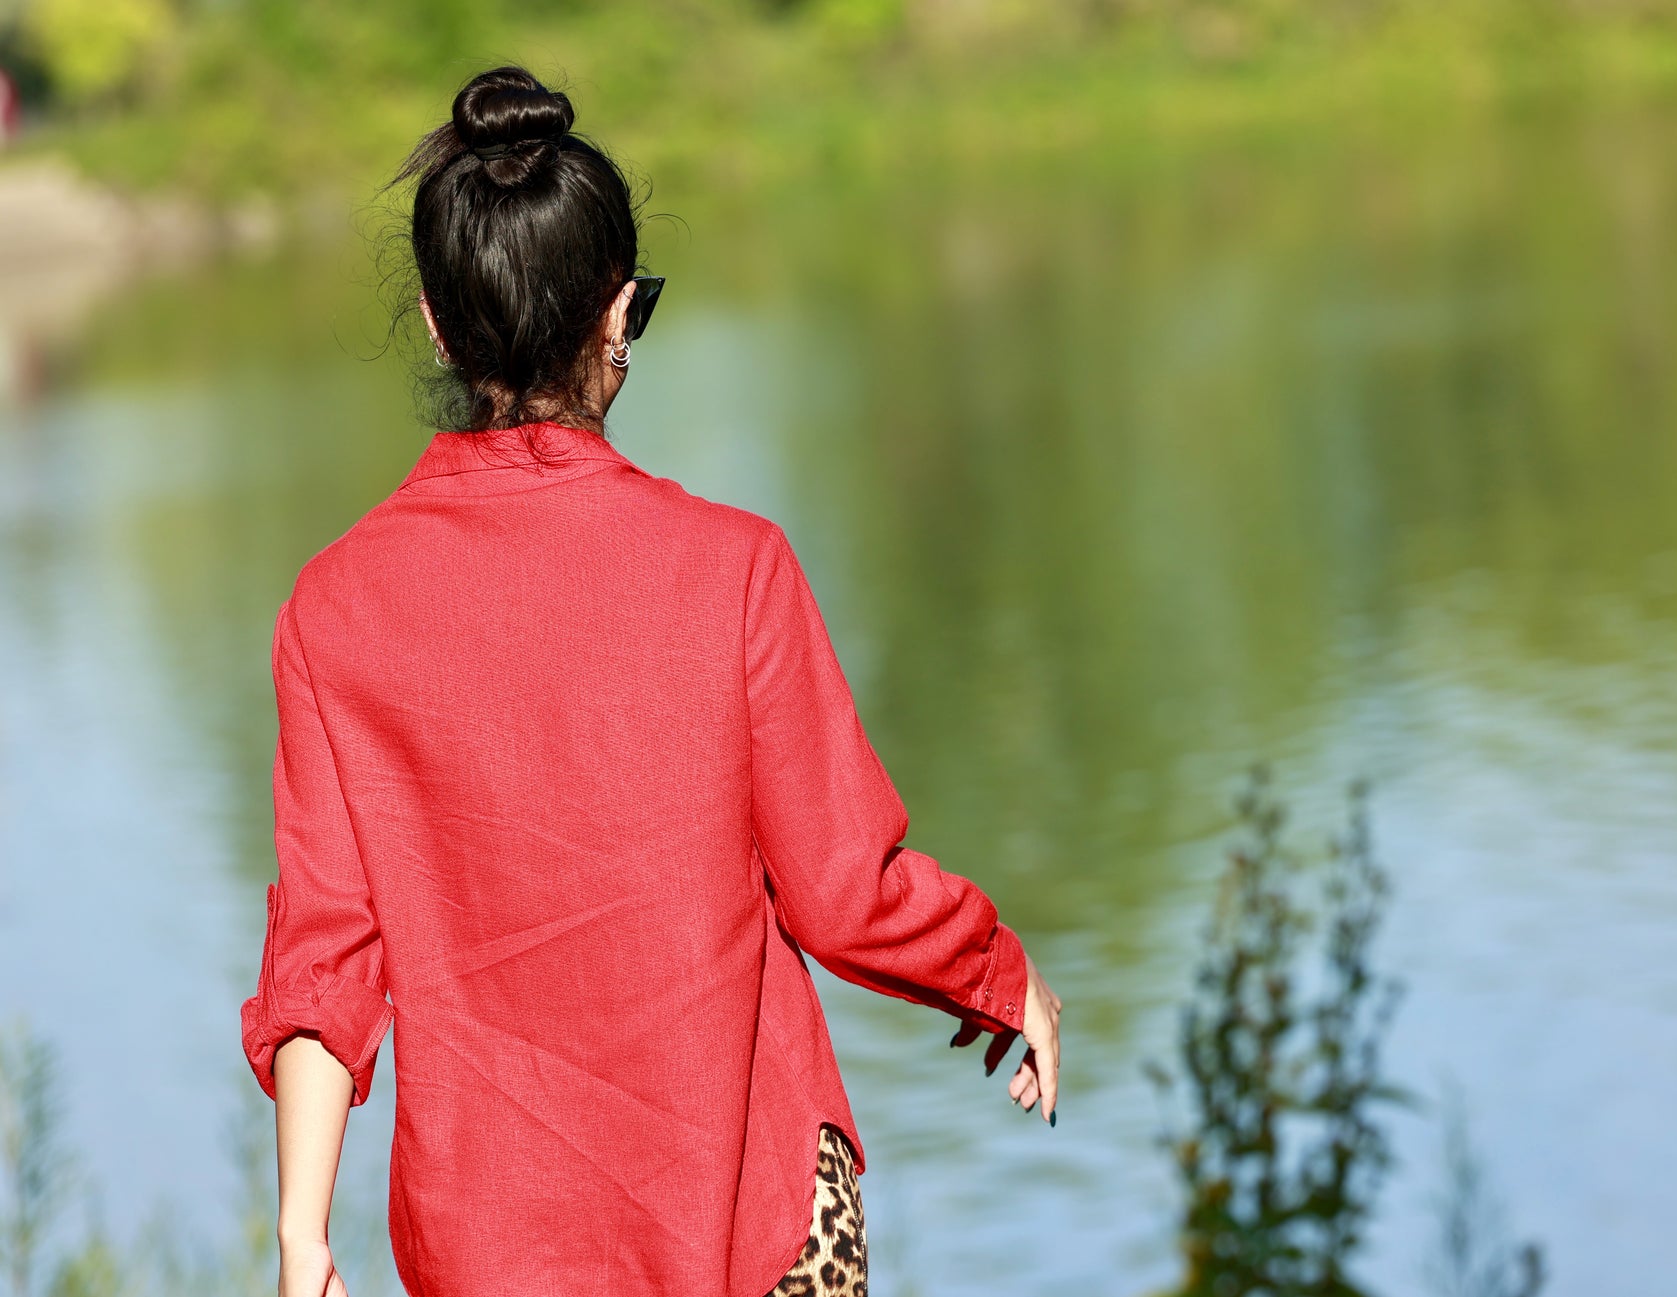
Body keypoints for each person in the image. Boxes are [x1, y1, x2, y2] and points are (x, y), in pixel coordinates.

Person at [238, 65, 1061, 1297]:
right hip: (754, 1225)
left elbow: (324, 958)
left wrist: (303, 1240)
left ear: (438, 325)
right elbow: (844, 896)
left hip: (492, 1254)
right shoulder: (733, 571)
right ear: (615, 315)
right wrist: (994, 967)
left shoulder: (332, 612)